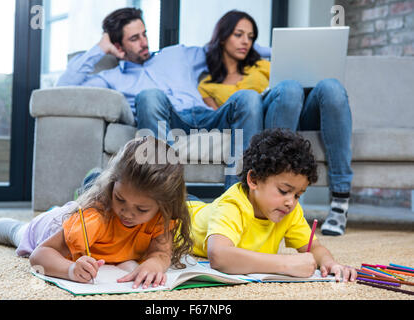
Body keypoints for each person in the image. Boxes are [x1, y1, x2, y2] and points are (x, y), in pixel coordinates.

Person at [56, 7, 271, 189]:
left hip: (207, 116)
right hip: (168, 119)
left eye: (144, 34)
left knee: (249, 98)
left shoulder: (177, 54)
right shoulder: (112, 77)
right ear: (118, 46)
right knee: (149, 96)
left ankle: (240, 196)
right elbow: (64, 87)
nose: (144, 42)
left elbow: (226, 45)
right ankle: (167, 191)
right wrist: (101, 47)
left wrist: (265, 47)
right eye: (134, 38)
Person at [198, 10, 353, 236]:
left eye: (250, 37)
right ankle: (276, 192)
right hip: (257, 125)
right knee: (286, 88)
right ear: (222, 37)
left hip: (290, 111)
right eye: (238, 34)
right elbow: (222, 117)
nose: (245, 41)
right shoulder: (208, 84)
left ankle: (340, 200)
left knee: (329, 87)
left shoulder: (262, 66)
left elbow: (290, 85)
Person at [0, 136, 193, 289]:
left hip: (69, 219)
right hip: (47, 228)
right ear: (111, 185)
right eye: (120, 199)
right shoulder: (95, 217)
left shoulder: (161, 219)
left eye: (141, 209)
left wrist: (155, 263)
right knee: (14, 231)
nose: (127, 212)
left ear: (164, 205)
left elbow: (161, 253)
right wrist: (70, 270)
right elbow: (39, 255)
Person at [187, 129, 357, 282]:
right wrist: (285, 263)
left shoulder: (289, 210)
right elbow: (218, 256)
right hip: (180, 211)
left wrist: (329, 263)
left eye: (298, 195)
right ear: (253, 180)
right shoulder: (232, 205)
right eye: (284, 191)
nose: (291, 202)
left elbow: (314, 247)